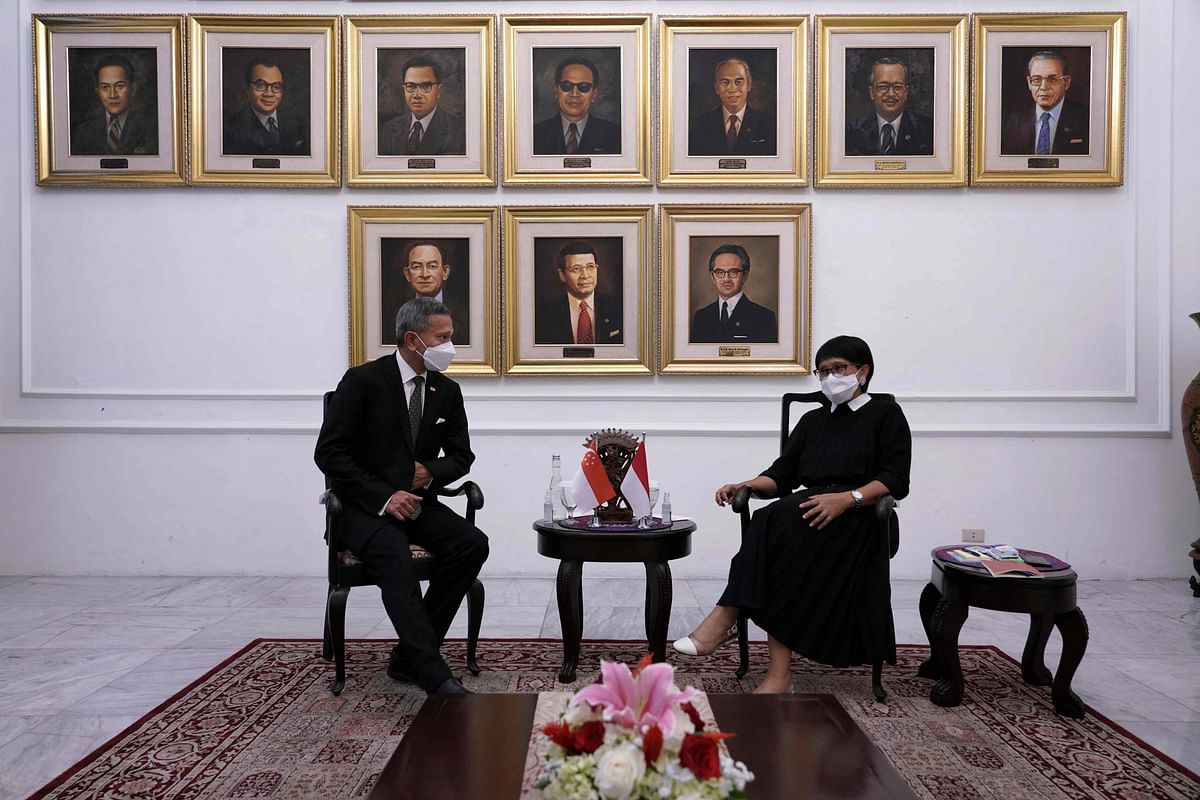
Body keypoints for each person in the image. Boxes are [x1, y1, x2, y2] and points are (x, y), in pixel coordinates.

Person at [672, 336, 912, 694]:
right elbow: (783, 474)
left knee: (773, 524)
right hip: (809, 514)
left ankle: (728, 618)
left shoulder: (885, 414)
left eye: (839, 369)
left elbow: (895, 478)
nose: (830, 378)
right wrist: (746, 485)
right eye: (823, 371)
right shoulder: (813, 420)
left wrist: (847, 499)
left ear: (862, 371)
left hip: (861, 515)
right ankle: (775, 673)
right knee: (777, 539)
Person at [315, 298, 488, 695]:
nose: (450, 347)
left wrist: (431, 471)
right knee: (395, 555)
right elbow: (329, 453)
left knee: (472, 544)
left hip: (416, 504)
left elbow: (462, 456)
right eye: (442, 338)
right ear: (413, 339)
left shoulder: (447, 391)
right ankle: (431, 672)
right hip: (363, 508)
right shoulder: (362, 381)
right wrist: (384, 496)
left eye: (451, 337)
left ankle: (409, 656)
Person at [1000, 50, 1089, 156]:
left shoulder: (1088, 120)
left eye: (1052, 79)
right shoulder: (1010, 124)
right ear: (1029, 83)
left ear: (1066, 82)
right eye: (1036, 79)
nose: (1043, 87)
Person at [534, 241, 622, 345]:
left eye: (590, 267)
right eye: (576, 269)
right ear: (562, 274)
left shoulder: (619, 308)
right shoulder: (542, 315)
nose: (585, 275)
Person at [845, 57, 934, 157]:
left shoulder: (928, 129)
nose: (891, 94)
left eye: (898, 87)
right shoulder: (852, 131)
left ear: (906, 93)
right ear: (871, 92)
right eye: (883, 87)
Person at [688, 57, 777, 156]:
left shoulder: (769, 124)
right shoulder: (700, 125)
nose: (732, 89)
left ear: (749, 85)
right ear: (717, 88)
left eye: (739, 82)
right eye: (725, 82)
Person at [71, 54, 157, 156]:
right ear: (98, 92)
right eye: (105, 87)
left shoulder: (152, 128)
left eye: (119, 86)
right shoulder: (85, 132)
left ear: (133, 89)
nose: (112, 95)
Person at [689, 244, 777, 344]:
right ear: (713, 276)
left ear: (745, 276)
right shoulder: (701, 317)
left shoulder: (764, 318)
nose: (726, 279)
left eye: (733, 272)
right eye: (720, 272)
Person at [532, 57, 621, 155]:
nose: (574, 94)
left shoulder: (615, 135)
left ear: (594, 95)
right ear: (556, 91)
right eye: (567, 86)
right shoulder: (535, 134)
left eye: (583, 87)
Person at [379, 57, 466, 156]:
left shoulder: (460, 131)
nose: (417, 95)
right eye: (410, 86)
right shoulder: (390, 128)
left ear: (438, 90)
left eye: (425, 86)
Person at [223, 57, 309, 156]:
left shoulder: (298, 123)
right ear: (247, 88)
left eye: (276, 87)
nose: (269, 93)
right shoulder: (231, 130)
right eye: (261, 85)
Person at [397, 240, 468, 346]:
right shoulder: (393, 315)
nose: (425, 274)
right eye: (417, 267)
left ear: (445, 272)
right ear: (407, 274)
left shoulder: (465, 316)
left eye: (432, 266)